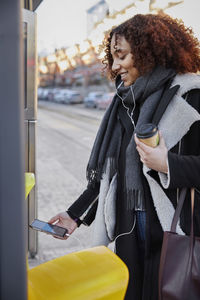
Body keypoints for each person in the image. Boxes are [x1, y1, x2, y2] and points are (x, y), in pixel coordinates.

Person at [49, 13, 200, 300]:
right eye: (112, 57)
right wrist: (74, 215)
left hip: (177, 228)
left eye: (121, 56)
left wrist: (167, 164)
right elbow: (110, 173)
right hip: (128, 225)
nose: (115, 66)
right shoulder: (124, 104)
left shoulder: (191, 95)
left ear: (148, 52)